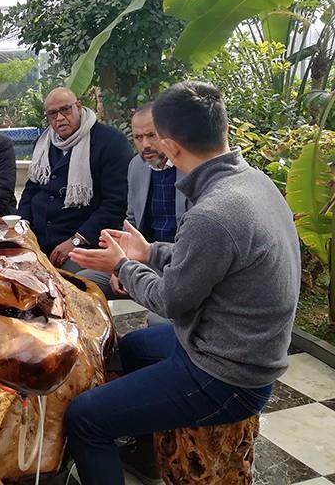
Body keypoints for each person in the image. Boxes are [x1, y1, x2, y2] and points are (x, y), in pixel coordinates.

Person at [65, 81, 301, 485]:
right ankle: (145, 451)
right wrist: (148, 252)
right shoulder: (252, 182)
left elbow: (171, 301)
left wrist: (122, 266)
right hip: (232, 343)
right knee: (130, 348)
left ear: (171, 147)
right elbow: (210, 256)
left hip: (227, 374)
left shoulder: (214, 211)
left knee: (83, 418)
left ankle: (110, 436)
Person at [78, 102, 188, 299]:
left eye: (152, 135)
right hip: (142, 260)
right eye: (138, 137)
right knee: (80, 285)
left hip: (182, 263)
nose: (145, 145)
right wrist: (119, 266)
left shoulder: (189, 167)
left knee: (160, 313)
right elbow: (131, 221)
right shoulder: (137, 166)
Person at [18, 87, 132, 271]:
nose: (60, 118)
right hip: (38, 239)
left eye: (65, 110)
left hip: (84, 243)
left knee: (70, 282)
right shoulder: (43, 143)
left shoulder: (110, 143)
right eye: (52, 114)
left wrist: (77, 240)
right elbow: (31, 188)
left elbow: (116, 204)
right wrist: (22, 226)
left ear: (78, 107)